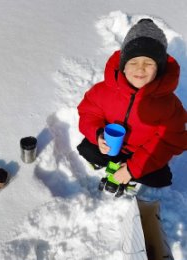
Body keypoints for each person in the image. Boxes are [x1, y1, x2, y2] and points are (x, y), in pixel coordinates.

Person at [77, 19, 187, 188]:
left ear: (159, 68)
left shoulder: (169, 106)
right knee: (87, 149)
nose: (140, 69)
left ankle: (127, 175)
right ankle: (108, 163)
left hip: (140, 153)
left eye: (149, 63)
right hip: (111, 147)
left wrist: (132, 169)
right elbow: (88, 113)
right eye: (133, 62)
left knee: (161, 179)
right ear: (123, 66)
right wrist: (98, 134)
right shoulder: (104, 90)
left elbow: (169, 142)